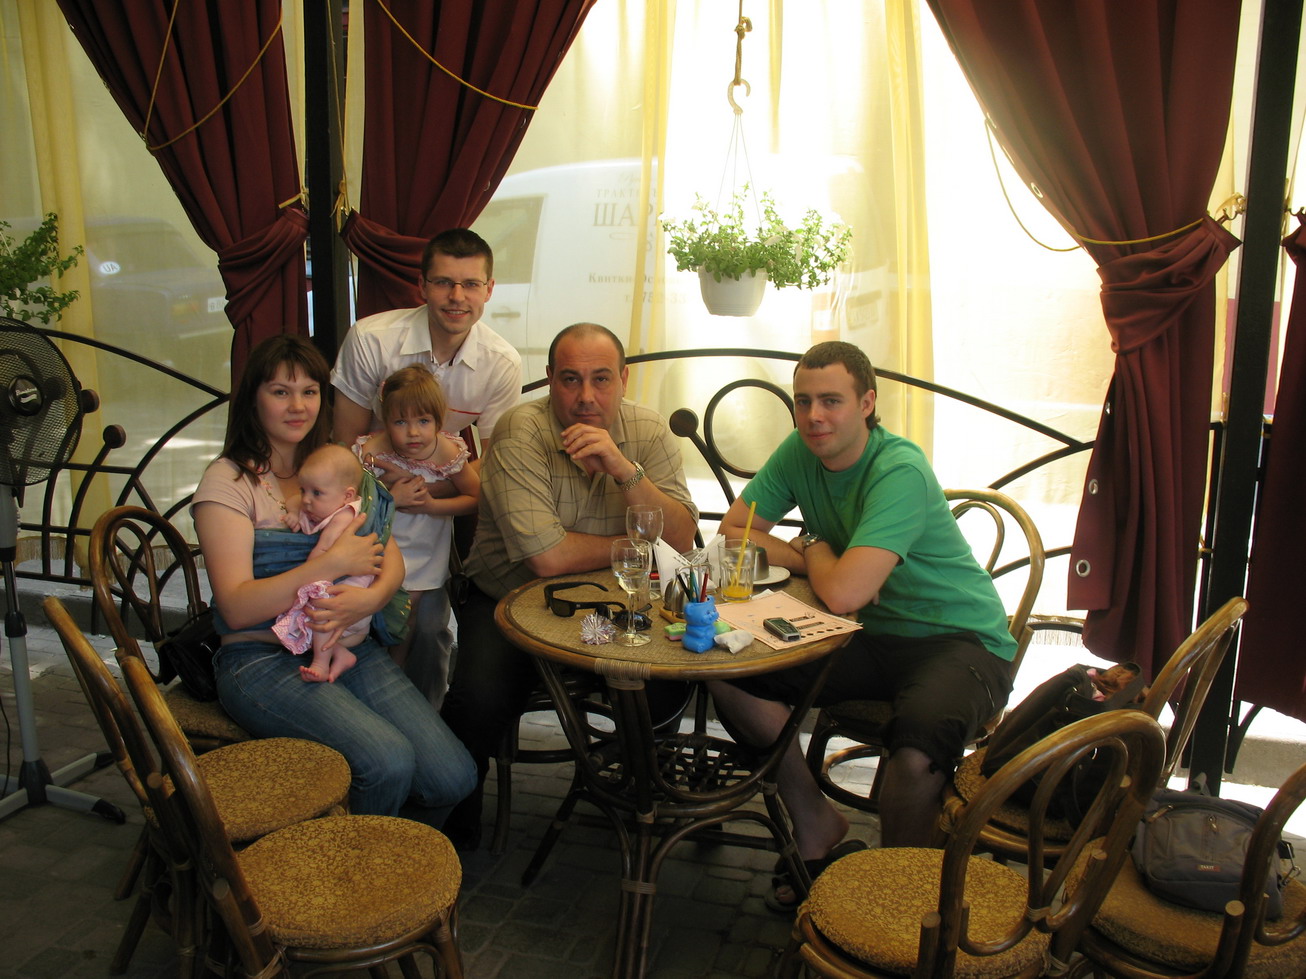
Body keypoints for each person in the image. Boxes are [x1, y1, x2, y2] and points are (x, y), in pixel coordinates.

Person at [707, 340, 1017, 909]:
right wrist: (818, 555)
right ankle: (815, 824)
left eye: (831, 401)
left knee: (916, 752)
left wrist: (820, 555)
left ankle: (898, 899)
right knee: (729, 672)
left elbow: (846, 592)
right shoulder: (800, 451)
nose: (814, 416)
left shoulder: (899, 469)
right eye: (803, 402)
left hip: (961, 641)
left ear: (867, 403)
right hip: (868, 633)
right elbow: (733, 535)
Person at [192, 333, 476, 823]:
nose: (297, 406)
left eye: (309, 391)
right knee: (386, 762)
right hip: (259, 658)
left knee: (454, 776)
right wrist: (329, 563)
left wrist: (369, 601)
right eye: (280, 391)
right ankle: (341, 862)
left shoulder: (332, 465)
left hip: (345, 647)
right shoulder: (230, 481)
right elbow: (235, 608)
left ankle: (381, 839)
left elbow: (390, 560)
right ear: (253, 398)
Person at [440, 322, 699, 849]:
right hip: (510, 602)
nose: (586, 397)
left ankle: (640, 792)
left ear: (623, 380)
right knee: (478, 700)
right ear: (550, 379)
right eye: (570, 379)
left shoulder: (648, 431)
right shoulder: (520, 431)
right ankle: (450, 821)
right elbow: (548, 558)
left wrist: (625, 470)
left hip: (616, 606)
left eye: (601, 379)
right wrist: (639, 545)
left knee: (668, 682)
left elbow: (681, 538)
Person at [331, 227, 522, 455]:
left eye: (471, 284)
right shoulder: (370, 339)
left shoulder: (503, 363)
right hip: (369, 470)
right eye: (443, 282)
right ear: (423, 285)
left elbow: (495, 460)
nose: (457, 297)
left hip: (445, 473)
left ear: (488, 290)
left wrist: (447, 477)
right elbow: (346, 444)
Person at [356, 365, 480, 707]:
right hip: (385, 548)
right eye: (400, 422)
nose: (413, 433)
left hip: (426, 552)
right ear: (385, 420)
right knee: (382, 618)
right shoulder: (371, 452)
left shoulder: (447, 452)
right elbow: (354, 504)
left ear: (438, 421)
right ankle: (381, 688)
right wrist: (391, 498)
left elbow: (475, 498)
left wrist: (430, 505)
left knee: (413, 620)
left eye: (423, 421)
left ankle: (406, 692)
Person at [272, 444, 374, 683]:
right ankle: (340, 653)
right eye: (304, 489)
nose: (306, 500)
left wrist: (301, 578)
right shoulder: (325, 503)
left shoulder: (345, 516)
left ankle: (321, 662)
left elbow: (324, 552)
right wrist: (294, 512)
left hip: (350, 590)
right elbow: (294, 500)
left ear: (347, 496)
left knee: (319, 608)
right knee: (310, 615)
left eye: (316, 493)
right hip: (336, 577)